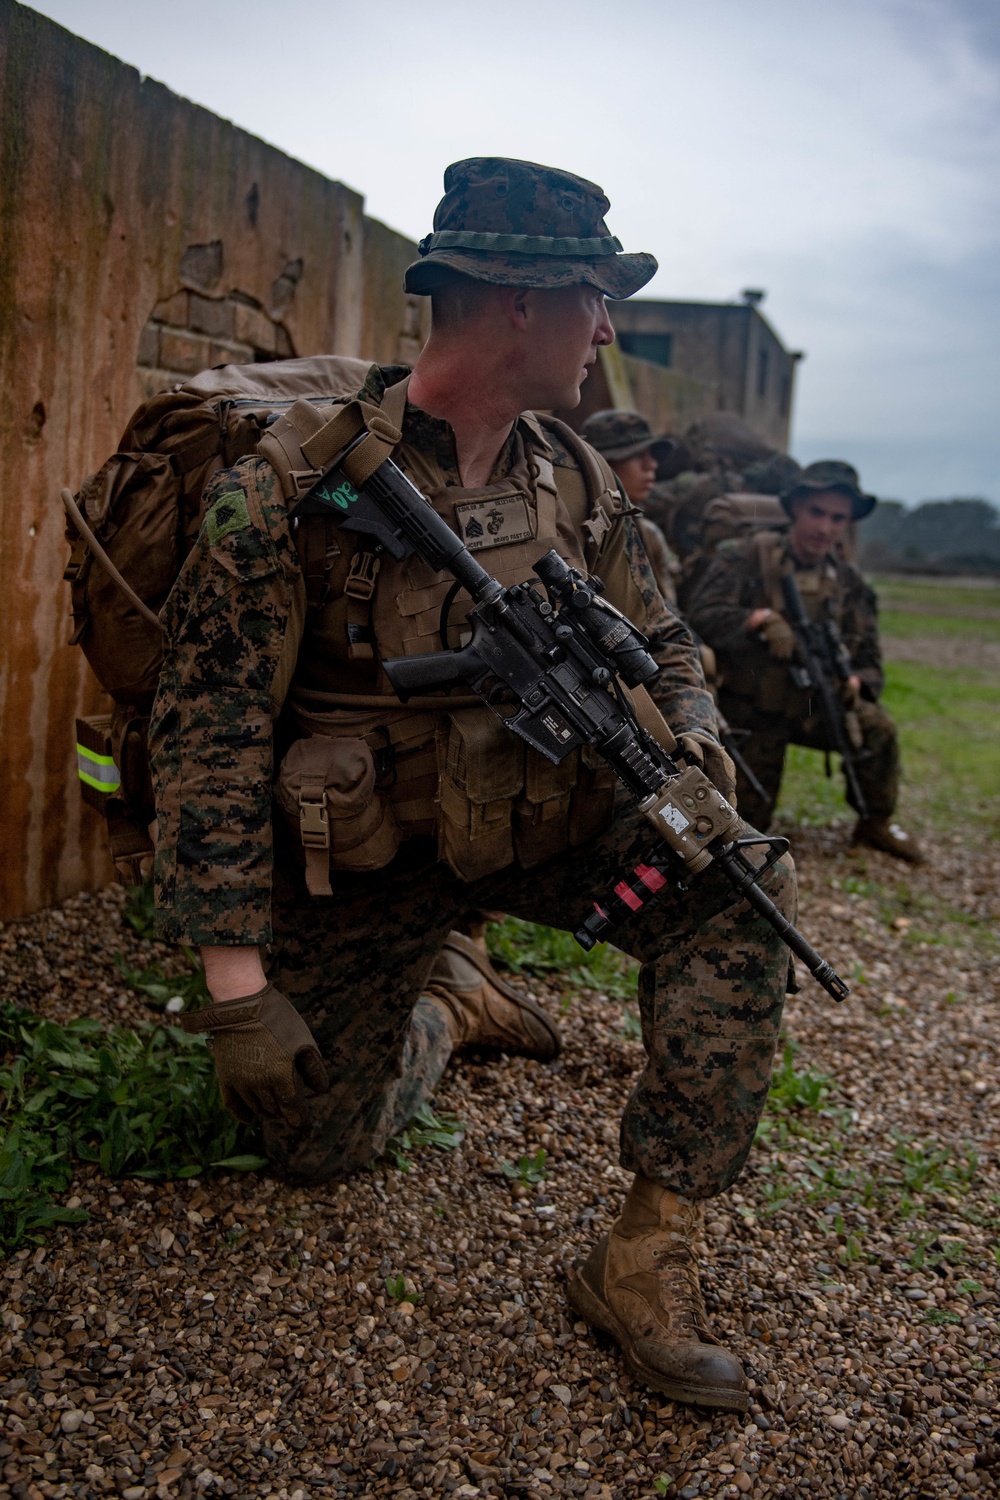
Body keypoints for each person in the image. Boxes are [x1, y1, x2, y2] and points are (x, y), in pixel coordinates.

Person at [150, 156, 796, 1411]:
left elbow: (661, 634)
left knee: (739, 886)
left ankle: (643, 1255)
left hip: (541, 823)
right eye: (596, 298)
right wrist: (234, 986)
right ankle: (450, 1004)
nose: (608, 327)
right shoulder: (290, 490)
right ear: (517, 300)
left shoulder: (576, 474)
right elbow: (209, 733)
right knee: (310, 1149)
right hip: (368, 854)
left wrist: (697, 737)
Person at [686, 460, 922, 861]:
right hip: (753, 710)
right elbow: (697, 616)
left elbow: (871, 660)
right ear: (795, 508)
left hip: (816, 703)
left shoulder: (848, 584)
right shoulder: (745, 556)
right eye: (816, 512)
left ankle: (875, 823)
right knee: (744, 829)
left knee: (877, 730)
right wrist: (755, 620)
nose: (824, 527)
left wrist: (855, 685)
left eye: (837, 517)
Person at [581, 408, 681, 603]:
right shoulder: (576, 528)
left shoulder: (647, 533)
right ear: (602, 463)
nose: (651, 464)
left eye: (651, 454)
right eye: (637, 455)